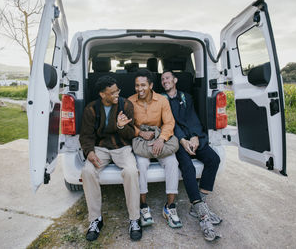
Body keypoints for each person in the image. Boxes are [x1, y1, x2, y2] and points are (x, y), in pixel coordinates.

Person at [161, 70, 222, 241]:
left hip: (194, 136)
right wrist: (182, 140)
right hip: (176, 139)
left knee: (213, 159)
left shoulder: (186, 96)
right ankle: (202, 214)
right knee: (187, 167)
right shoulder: (160, 99)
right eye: (162, 79)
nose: (165, 81)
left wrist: (195, 136)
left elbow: (193, 117)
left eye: (167, 78)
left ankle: (198, 205)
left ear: (175, 80)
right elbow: (168, 123)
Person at [79, 76, 142, 241]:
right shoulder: (91, 109)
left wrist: (121, 126)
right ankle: (95, 220)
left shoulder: (126, 105)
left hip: (122, 147)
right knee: (87, 171)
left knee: (131, 171)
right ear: (102, 94)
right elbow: (86, 135)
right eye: (112, 92)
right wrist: (89, 152)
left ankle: (134, 219)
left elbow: (130, 134)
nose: (116, 94)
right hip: (100, 148)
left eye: (117, 91)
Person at [128, 69, 182, 229]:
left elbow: (169, 123)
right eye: (137, 85)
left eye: (143, 85)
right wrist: (140, 133)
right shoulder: (130, 101)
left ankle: (170, 207)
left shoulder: (162, 101)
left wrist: (160, 139)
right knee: (141, 165)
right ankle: (143, 206)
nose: (140, 89)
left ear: (151, 85)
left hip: (159, 138)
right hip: (141, 141)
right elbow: (127, 125)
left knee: (172, 162)